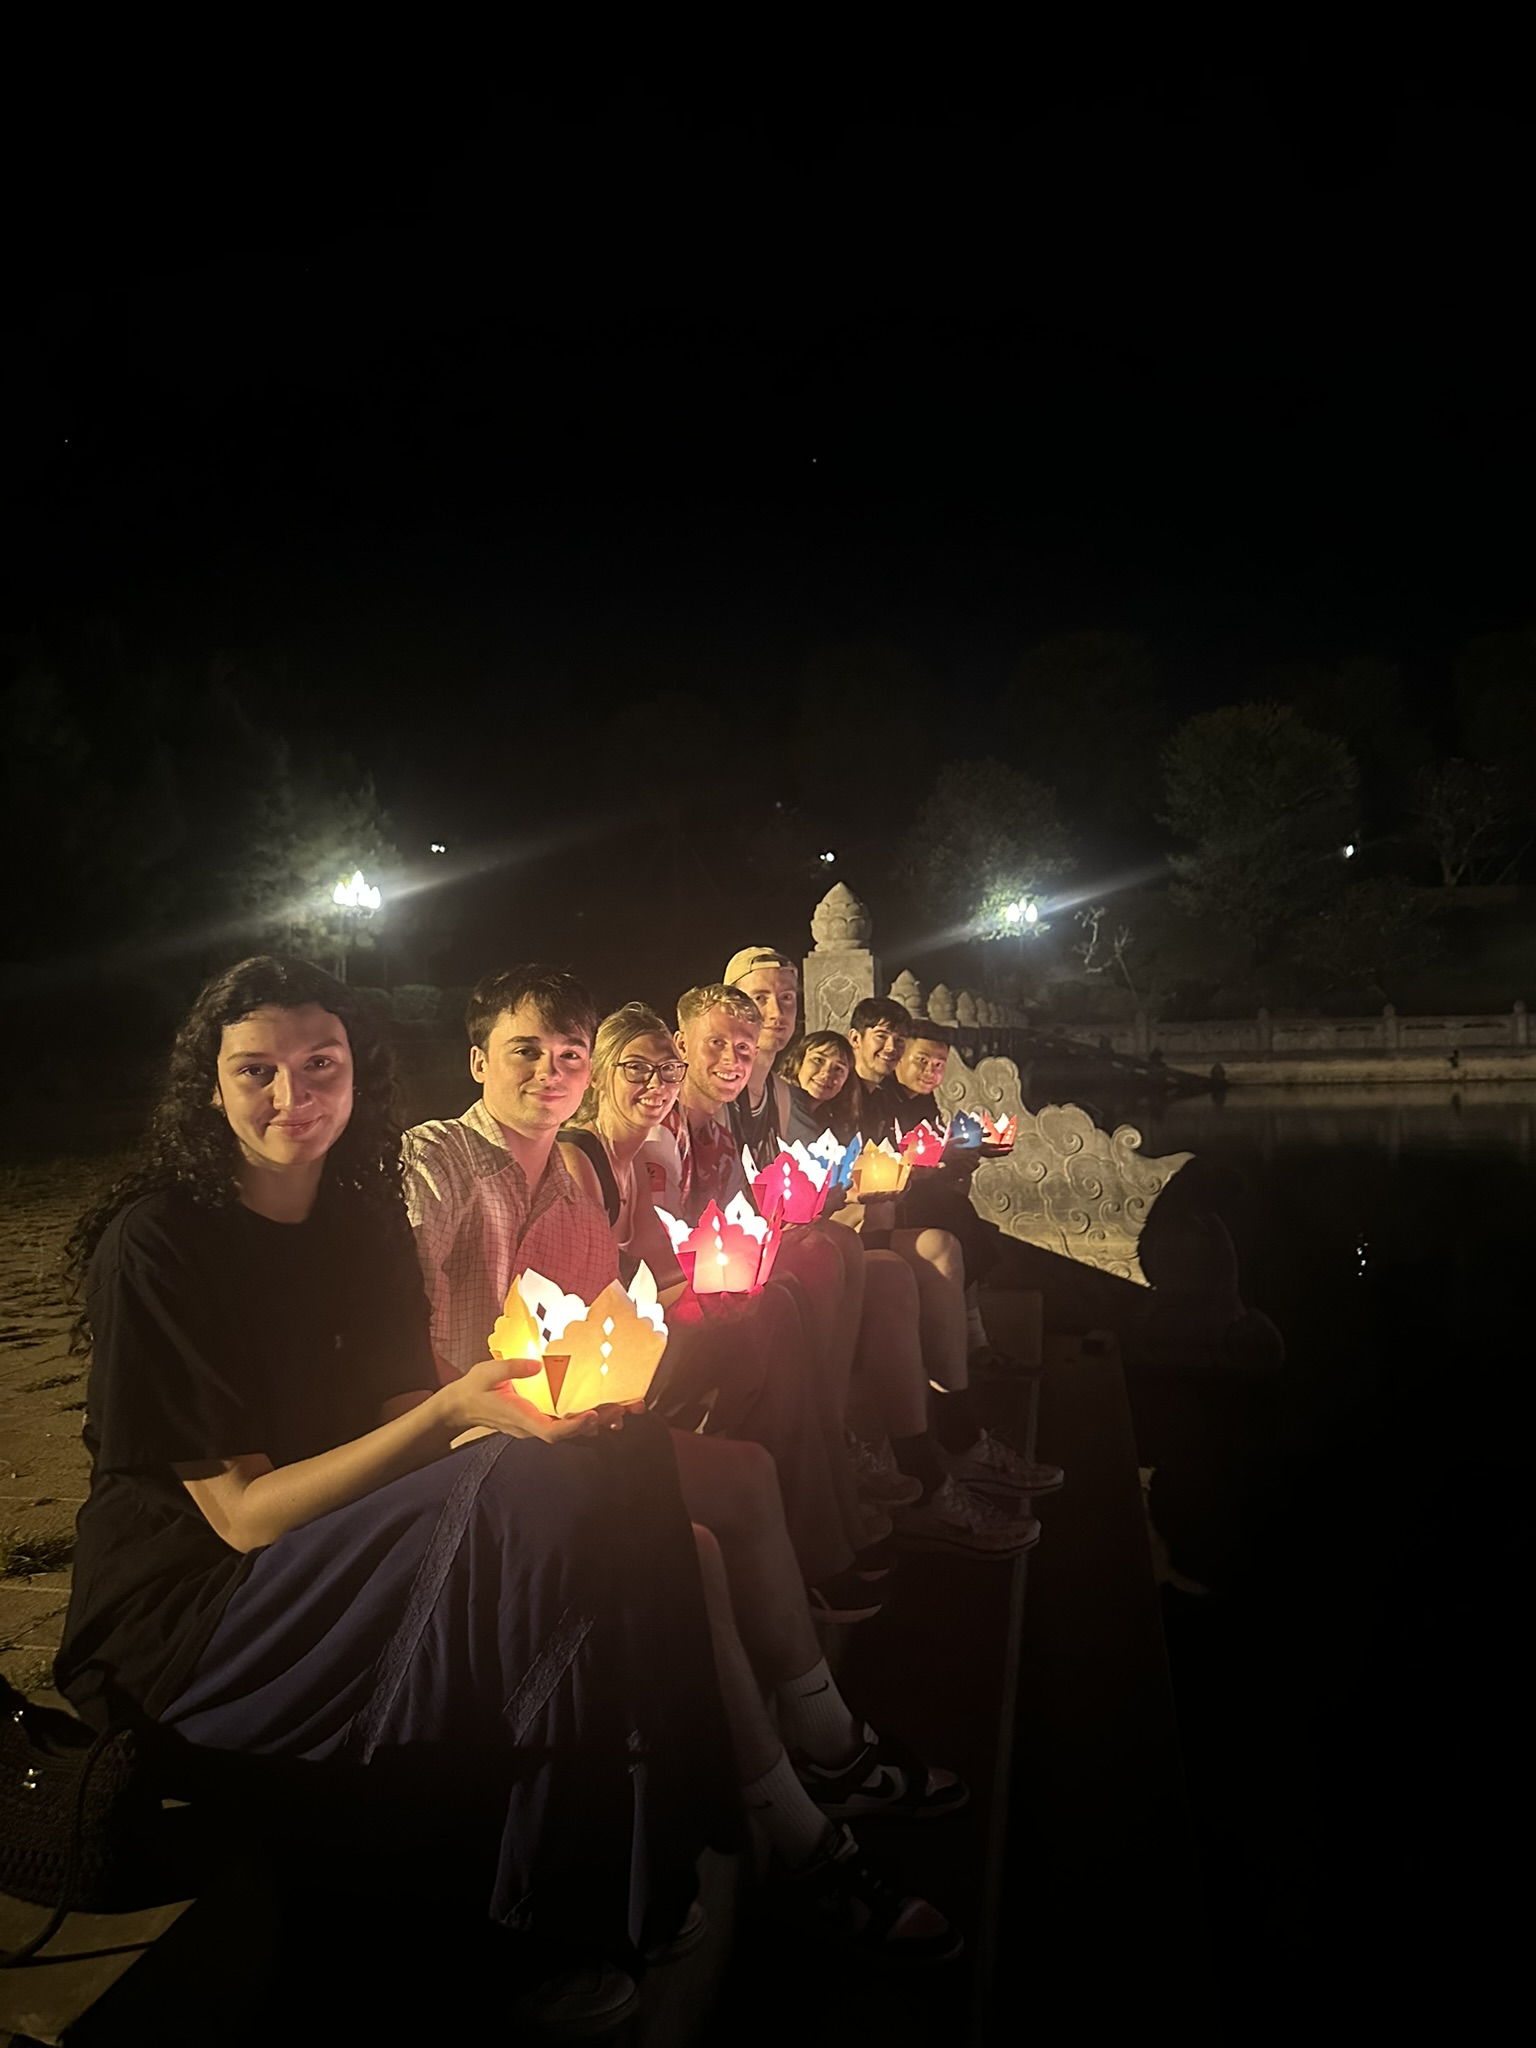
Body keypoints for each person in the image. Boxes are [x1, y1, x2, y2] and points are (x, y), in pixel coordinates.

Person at [55, 956, 735, 2036]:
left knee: (621, 1459)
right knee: (531, 1500)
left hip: (327, 1540)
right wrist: (452, 1419)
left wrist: (523, 1409)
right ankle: (532, 1927)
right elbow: (242, 1515)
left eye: (320, 1064)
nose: (294, 1096)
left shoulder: (359, 1219)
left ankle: (674, 1839)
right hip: (193, 1610)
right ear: (211, 1086)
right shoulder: (163, 1243)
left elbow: (399, 1398)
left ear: (359, 1072)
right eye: (257, 1071)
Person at [405, 970, 966, 1964]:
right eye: (527, 1049)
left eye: (566, 1054)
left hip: (560, 1427)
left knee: (744, 1469)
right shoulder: (443, 1160)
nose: (551, 1071)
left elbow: (593, 1320)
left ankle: (831, 1736)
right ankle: (791, 1820)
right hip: (474, 1451)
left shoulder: (571, 1179)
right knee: (690, 1538)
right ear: (476, 1058)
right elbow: (415, 1353)